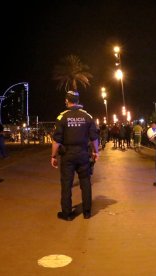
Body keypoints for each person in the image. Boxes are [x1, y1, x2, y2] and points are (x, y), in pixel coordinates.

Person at [51, 91, 99, 221]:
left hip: (67, 155)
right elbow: (94, 137)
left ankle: (67, 214)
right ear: (78, 100)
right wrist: (96, 152)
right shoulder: (87, 116)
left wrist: (53, 156)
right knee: (85, 182)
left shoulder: (62, 117)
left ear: (67, 100)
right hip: (83, 153)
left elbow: (56, 141)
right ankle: (87, 212)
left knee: (66, 183)